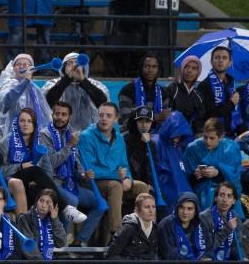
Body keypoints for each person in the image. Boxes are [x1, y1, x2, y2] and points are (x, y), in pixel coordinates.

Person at [77, 102, 150, 245]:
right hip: (92, 184)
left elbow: (124, 165)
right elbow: (90, 170)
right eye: (101, 115)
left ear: (115, 119)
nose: (104, 118)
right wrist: (118, 176)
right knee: (115, 186)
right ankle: (116, 235)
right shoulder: (86, 136)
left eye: (108, 116)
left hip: (115, 180)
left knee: (141, 187)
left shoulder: (119, 138)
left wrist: (128, 178)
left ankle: (144, 232)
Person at [39, 101, 103, 245]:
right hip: (53, 182)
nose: (60, 117)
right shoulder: (44, 135)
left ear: (70, 117)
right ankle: (59, 242)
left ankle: (79, 241)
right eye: (57, 114)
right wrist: (68, 146)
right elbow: (51, 162)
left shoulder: (72, 133)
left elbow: (77, 162)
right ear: (52, 115)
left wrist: (84, 176)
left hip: (71, 182)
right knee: (72, 201)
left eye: (64, 115)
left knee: (100, 204)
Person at [0, 108, 68, 216]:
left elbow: (47, 171)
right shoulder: (6, 143)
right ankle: (65, 208)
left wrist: (39, 182)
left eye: (29, 121)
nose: (26, 124)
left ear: (34, 125)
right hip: (11, 179)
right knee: (34, 170)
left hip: (33, 183)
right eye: (22, 121)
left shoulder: (40, 143)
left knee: (38, 193)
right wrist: (20, 166)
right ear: (17, 123)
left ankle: (50, 230)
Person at [183, 117, 244, 219]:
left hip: (225, 190)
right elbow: (185, 176)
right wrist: (196, 175)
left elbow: (235, 178)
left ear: (221, 137)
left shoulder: (231, 149)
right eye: (205, 137)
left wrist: (218, 173)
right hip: (201, 191)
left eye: (212, 138)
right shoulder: (192, 148)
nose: (207, 141)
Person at [42, 52, 109, 133]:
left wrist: (83, 81)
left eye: (77, 63)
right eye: (70, 63)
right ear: (63, 68)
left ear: (84, 68)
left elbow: (103, 104)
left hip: (89, 136)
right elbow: (47, 102)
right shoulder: (53, 83)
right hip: (59, 135)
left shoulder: (95, 84)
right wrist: (67, 79)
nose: (74, 66)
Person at [0, 54, 51, 139]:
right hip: (11, 138)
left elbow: (45, 116)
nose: (22, 67)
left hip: (32, 137)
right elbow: (5, 103)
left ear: (32, 69)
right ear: (13, 68)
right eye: (18, 64)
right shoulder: (9, 84)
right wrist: (25, 81)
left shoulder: (35, 89)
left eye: (26, 65)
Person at [153, 112, 195, 209]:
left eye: (181, 135)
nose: (178, 138)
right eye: (177, 134)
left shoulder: (177, 147)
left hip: (179, 188)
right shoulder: (157, 142)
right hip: (166, 186)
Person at [123, 107, 160, 216]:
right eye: (140, 121)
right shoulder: (125, 140)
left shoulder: (151, 144)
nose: (144, 125)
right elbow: (133, 166)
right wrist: (142, 146)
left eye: (147, 121)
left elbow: (151, 167)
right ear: (135, 122)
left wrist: (150, 183)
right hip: (130, 182)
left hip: (145, 184)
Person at [196, 46, 240, 135]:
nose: (220, 60)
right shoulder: (204, 86)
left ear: (230, 63)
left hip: (230, 133)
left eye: (224, 58)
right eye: (217, 57)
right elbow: (210, 113)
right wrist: (231, 103)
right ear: (211, 62)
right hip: (211, 135)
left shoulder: (231, 84)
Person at [118, 54, 170, 127]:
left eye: (154, 67)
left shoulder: (163, 92)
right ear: (141, 68)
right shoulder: (127, 90)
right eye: (147, 66)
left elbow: (165, 118)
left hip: (156, 135)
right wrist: (155, 117)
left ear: (159, 70)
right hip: (133, 135)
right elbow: (124, 116)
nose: (150, 70)